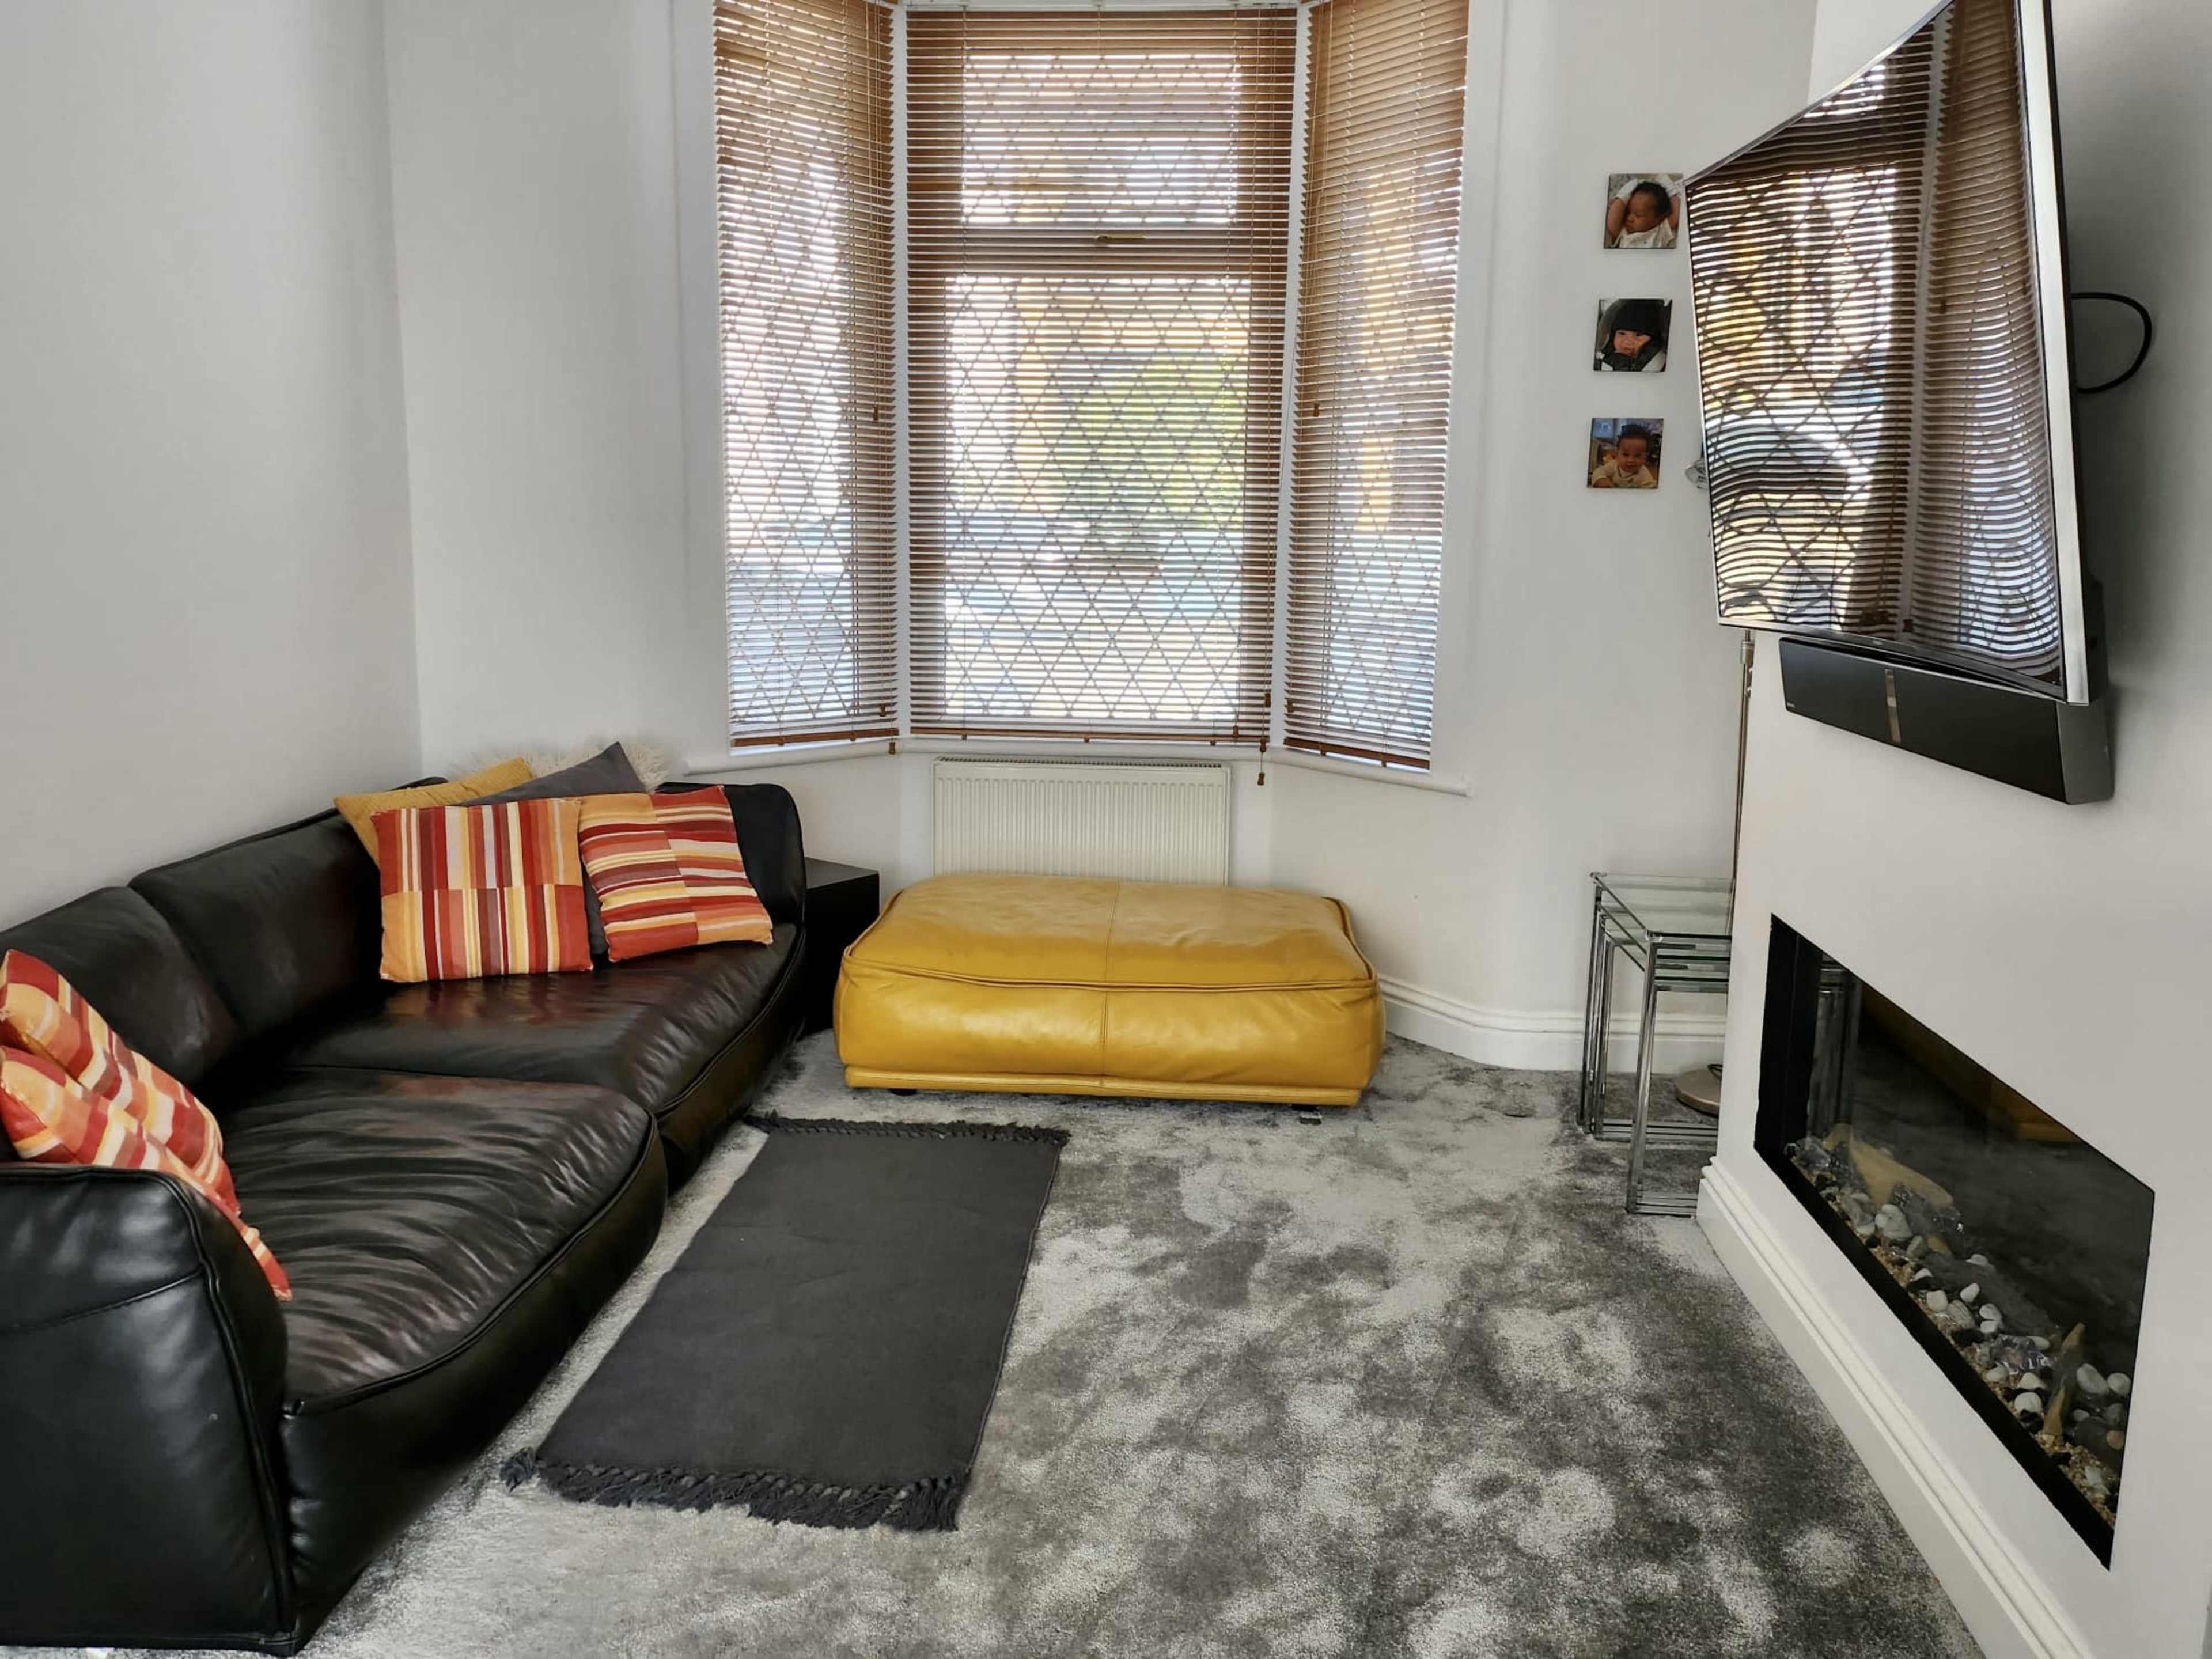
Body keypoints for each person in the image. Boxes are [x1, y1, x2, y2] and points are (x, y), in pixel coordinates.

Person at [1595, 298, 1669, 371]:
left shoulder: (1657, 364)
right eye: (1622, 334)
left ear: (1653, 339)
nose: (1628, 341)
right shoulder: (1603, 359)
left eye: (1638, 335)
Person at [1606, 177, 1680, 249]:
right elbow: (1611, 223)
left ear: (1657, 219)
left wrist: (1669, 188)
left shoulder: (1660, 231)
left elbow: (1677, 214)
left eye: (1638, 215)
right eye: (1627, 212)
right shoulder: (1625, 232)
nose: (1629, 218)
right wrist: (1624, 195)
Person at [1590, 425, 1659, 488]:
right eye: (1626, 455)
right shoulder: (1614, 465)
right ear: (1617, 455)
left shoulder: (1644, 475)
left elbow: (1651, 490)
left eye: (1637, 456)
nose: (1631, 460)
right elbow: (1599, 471)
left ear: (1645, 458)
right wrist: (1601, 480)